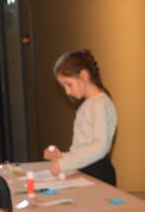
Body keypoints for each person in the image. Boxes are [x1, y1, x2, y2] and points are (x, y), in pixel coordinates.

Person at [43, 50, 118, 185]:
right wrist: (61, 157)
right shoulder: (89, 104)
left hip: (98, 173)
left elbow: (100, 147)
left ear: (83, 75)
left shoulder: (100, 104)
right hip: (89, 169)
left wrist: (65, 163)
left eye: (69, 84)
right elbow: (83, 149)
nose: (67, 91)